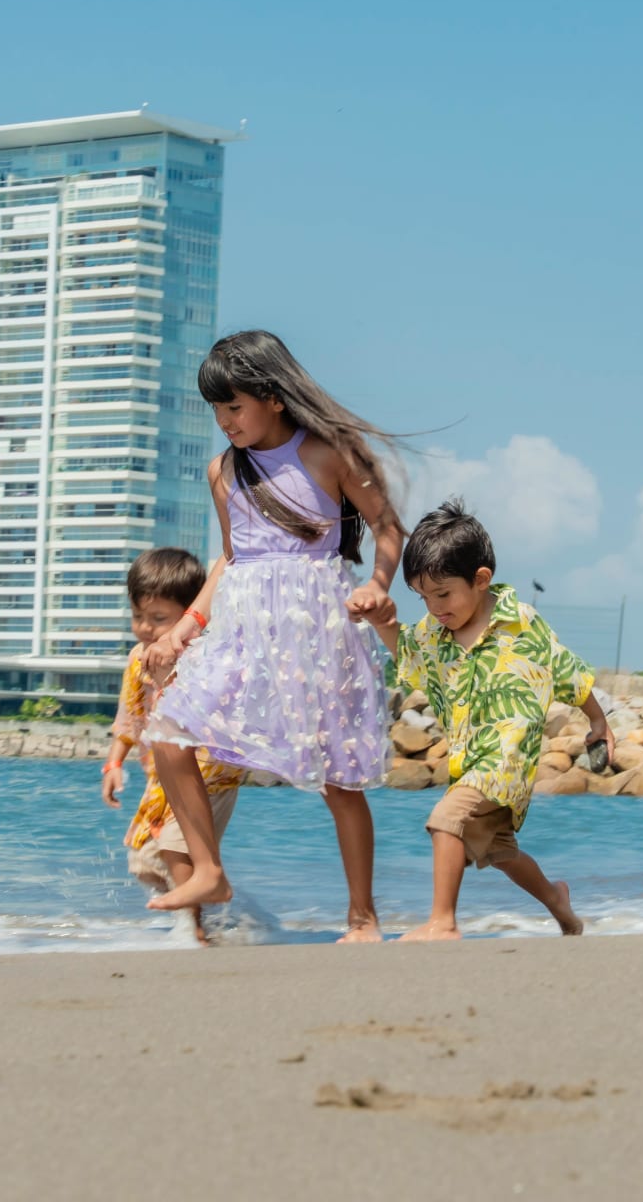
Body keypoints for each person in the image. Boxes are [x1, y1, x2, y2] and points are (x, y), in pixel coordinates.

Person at [139, 330, 404, 942]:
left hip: (319, 631)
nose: (224, 421)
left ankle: (362, 918)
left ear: (273, 397)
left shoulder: (330, 452)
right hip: (242, 630)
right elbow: (231, 560)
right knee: (169, 734)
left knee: (339, 781)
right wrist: (184, 627)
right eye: (216, 410)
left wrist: (379, 585)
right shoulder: (222, 471)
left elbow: (388, 526)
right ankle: (208, 870)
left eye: (234, 406)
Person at [368, 500, 610, 940]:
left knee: (446, 819)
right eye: (423, 597)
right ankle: (559, 902)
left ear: (481, 580)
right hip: (470, 758)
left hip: (507, 759)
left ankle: (442, 922)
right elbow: (407, 653)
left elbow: (567, 671)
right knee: (499, 852)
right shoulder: (434, 633)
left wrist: (599, 722)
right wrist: (383, 624)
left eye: (443, 594)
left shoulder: (520, 625)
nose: (435, 607)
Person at [100, 547, 248, 943]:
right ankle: (223, 922)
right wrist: (113, 764)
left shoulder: (202, 656)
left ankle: (193, 928)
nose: (146, 628)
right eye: (138, 617)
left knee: (176, 846)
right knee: (145, 861)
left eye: (158, 619)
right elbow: (129, 717)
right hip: (162, 780)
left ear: (189, 614)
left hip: (209, 774)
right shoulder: (137, 659)